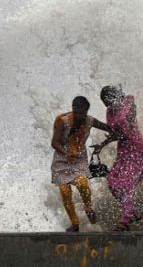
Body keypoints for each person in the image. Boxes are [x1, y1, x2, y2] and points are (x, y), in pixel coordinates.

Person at [92, 86, 143, 231]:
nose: (105, 105)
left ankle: (126, 218)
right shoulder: (111, 111)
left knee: (123, 184)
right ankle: (132, 211)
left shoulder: (128, 104)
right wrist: (102, 145)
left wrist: (111, 137)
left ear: (113, 97)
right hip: (123, 149)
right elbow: (117, 133)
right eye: (103, 102)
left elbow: (125, 125)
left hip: (135, 148)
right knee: (112, 182)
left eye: (106, 101)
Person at [51, 96, 110, 232]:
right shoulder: (63, 121)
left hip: (78, 159)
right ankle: (74, 223)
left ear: (86, 111)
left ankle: (88, 208)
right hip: (61, 160)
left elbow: (108, 128)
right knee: (65, 191)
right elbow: (54, 142)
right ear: (72, 109)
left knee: (83, 183)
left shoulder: (90, 120)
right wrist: (66, 154)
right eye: (76, 112)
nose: (78, 115)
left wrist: (104, 142)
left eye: (81, 113)